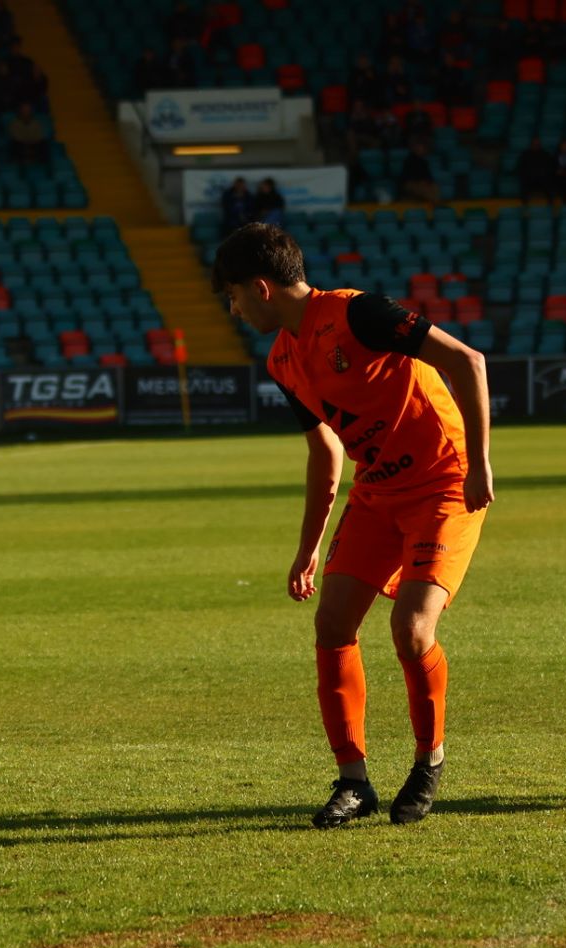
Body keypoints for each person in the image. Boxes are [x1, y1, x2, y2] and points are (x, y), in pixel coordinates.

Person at [211, 223, 493, 828]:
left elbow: (467, 360)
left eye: (232, 295)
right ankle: (354, 782)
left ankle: (428, 761)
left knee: (411, 629)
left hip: (444, 482)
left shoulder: (358, 313)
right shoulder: (282, 358)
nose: (232, 308)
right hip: (378, 492)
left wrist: (481, 465)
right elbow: (326, 452)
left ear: (260, 287)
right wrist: (308, 549)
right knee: (332, 623)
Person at [516, 136, 555, 203]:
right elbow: (520, 168)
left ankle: (551, 208)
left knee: (549, 186)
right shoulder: (525, 154)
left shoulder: (545, 154)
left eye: (537, 143)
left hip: (542, 179)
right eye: (534, 143)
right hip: (529, 179)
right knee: (524, 186)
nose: (536, 145)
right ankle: (525, 209)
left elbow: (550, 167)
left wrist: (543, 175)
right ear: (531, 144)